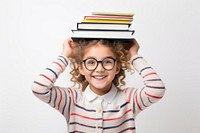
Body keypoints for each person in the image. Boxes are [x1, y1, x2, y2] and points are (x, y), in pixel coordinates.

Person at [32, 38, 165, 133]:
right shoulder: (71, 99)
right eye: (91, 62)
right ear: (81, 69)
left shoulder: (129, 99)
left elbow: (157, 89)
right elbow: (39, 88)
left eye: (107, 62)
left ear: (117, 68)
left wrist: (133, 55)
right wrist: (65, 55)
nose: (99, 69)